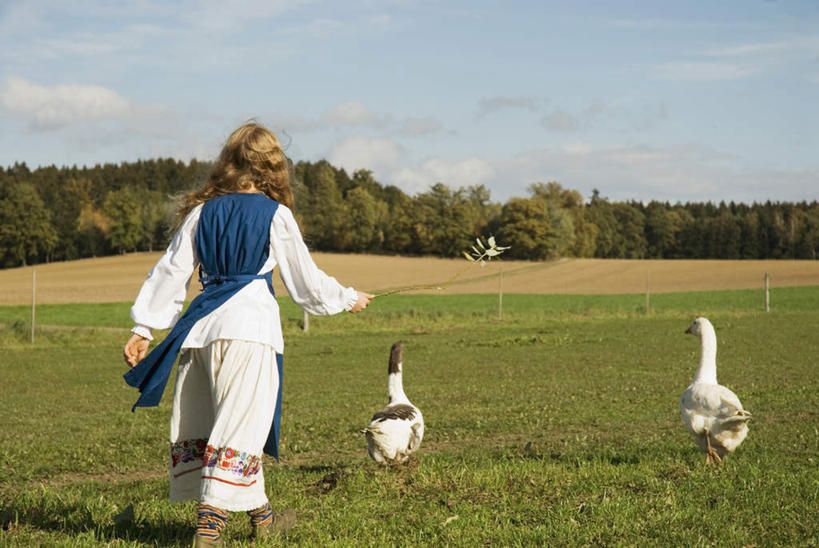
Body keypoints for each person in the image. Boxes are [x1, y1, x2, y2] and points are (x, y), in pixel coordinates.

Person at [122, 121, 373, 547]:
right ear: (273, 166)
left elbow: (171, 272)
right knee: (240, 429)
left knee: (219, 426)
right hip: (249, 331)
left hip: (200, 334)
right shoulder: (277, 215)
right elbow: (306, 284)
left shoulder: (202, 212)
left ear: (229, 163)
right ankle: (209, 528)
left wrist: (143, 326)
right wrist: (348, 298)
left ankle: (263, 517)